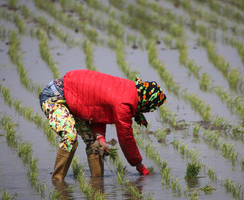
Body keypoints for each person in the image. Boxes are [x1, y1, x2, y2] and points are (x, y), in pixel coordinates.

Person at [39, 69, 167, 180]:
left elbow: (99, 112)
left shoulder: (129, 91)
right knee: (70, 136)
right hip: (55, 96)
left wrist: (100, 138)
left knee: (95, 143)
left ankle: (97, 184)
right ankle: (57, 181)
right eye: (151, 108)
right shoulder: (125, 103)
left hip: (75, 101)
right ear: (147, 102)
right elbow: (126, 138)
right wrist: (138, 164)